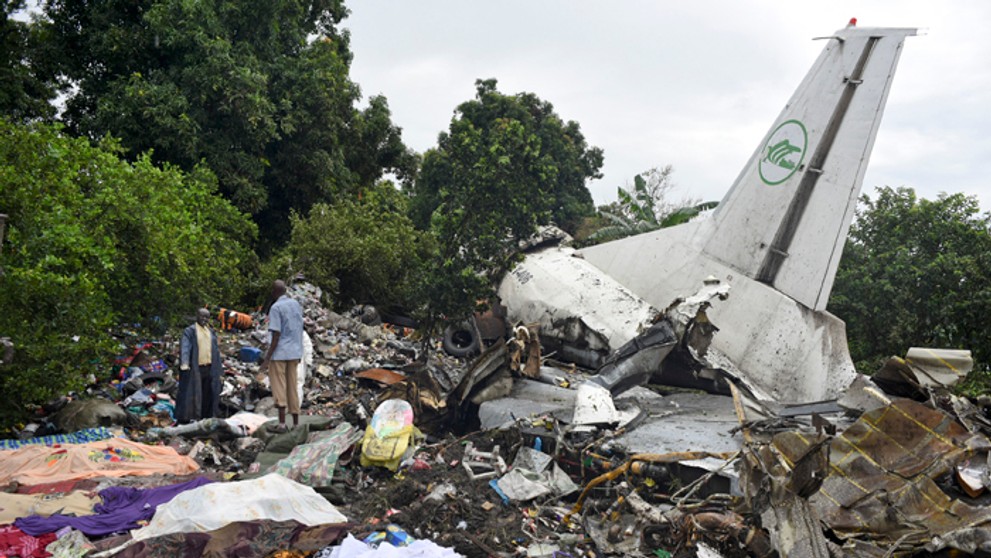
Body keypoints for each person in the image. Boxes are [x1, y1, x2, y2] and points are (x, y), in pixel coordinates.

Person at [261, 280, 304, 431]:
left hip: (279, 353)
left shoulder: (276, 307)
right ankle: (296, 422)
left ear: (274, 292)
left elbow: (276, 334)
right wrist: (300, 352)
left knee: (279, 386)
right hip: (294, 352)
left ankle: (282, 423)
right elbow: (299, 329)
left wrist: (267, 359)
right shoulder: (296, 305)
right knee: (292, 385)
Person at [176, 307, 223, 423]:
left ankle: (205, 418)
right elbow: (185, 347)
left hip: (210, 367)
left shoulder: (210, 331)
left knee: (208, 393)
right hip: (196, 368)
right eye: (202, 316)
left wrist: (219, 369)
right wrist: (185, 363)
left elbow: (216, 351)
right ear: (196, 316)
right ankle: (188, 418)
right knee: (192, 393)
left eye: (206, 317)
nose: (204, 319)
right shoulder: (190, 331)